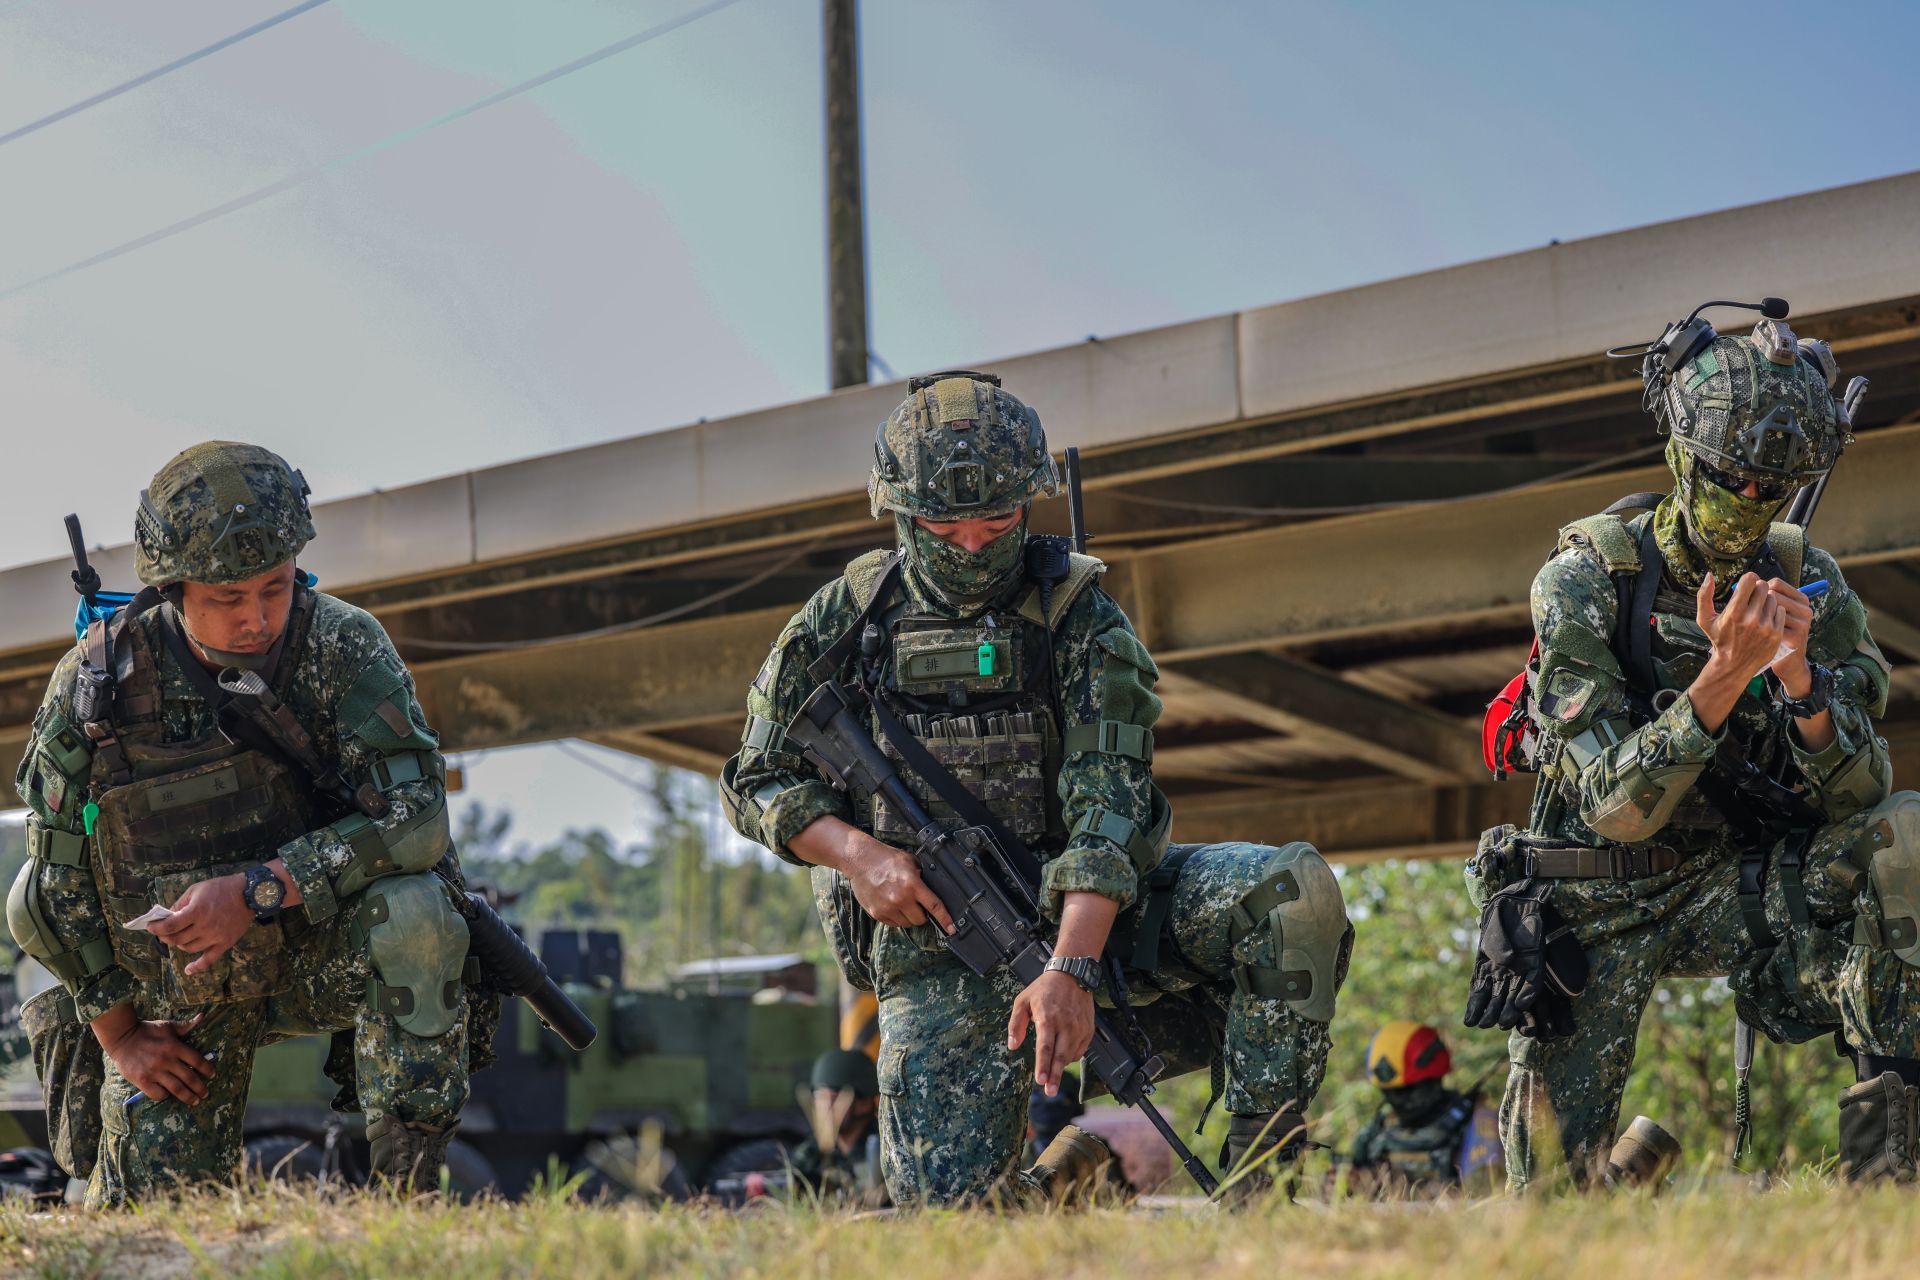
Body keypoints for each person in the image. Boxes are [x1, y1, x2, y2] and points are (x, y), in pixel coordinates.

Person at [722, 371, 1352, 1205]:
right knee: (954, 1231)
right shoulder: (844, 618)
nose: (976, 545)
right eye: (946, 524)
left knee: (1287, 895)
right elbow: (754, 775)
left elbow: (1110, 806)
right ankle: (1061, 1181)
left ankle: (1261, 1193)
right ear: (900, 512)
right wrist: (857, 855)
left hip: (1093, 926)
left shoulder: (1080, 618)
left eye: (1000, 520)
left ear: (1032, 502)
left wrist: (1071, 965)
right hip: (936, 947)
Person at [1465, 312, 1920, 1187]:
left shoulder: (1810, 584)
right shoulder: (1586, 580)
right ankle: (1626, 1176)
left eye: (1772, 488)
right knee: (1552, 1206)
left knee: (1904, 836)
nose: (1749, 503)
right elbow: (1615, 811)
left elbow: (1867, 794)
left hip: (1736, 890)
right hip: (1594, 900)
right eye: (1731, 478)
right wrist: (1721, 678)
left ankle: (1886, 1182)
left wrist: (1800, 684)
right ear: (1680, 451)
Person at [9, 443, 473, 1205]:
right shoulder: (97, 684)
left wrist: (260, 890)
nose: (258, 618)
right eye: (228, 597)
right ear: (172, 587)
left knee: (420, 913)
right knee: (146, 1225)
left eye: (277, 587)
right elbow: (50, 888)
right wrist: (120, 1037)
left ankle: (410, 1208)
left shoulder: (341, 644)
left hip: (315, 949)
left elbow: (417, 819)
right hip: (176, 995)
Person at [1347, 1021, 1500, 1196]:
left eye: (1409, 1090)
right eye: (1390, 1093)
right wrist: (1346, 1188)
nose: (1400, 1101)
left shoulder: (1480, 1125)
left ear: (1435, 1080)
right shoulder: (1376, 1132)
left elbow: (1490, 1199)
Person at [787, 1047, 885, 1203]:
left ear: (864, 1103)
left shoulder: (885, 1149)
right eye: (820, 1098)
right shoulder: (810, 1154)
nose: (824, 1108)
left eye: (833, 1098)